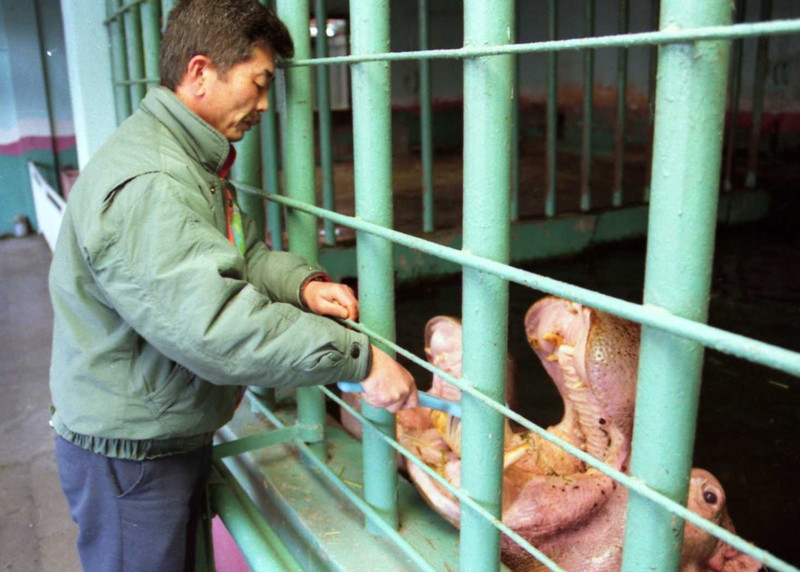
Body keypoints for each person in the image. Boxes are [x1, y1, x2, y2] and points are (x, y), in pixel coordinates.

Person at [48, 1, 417, 570]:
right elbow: (218, 328)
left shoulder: (184, 159)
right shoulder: (156, 183)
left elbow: (233, 258)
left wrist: (300, 286)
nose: (267, 103)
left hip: (156, 431)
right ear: (200, 72)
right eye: (259, 82)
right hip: (134, 454)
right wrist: (361, 360)